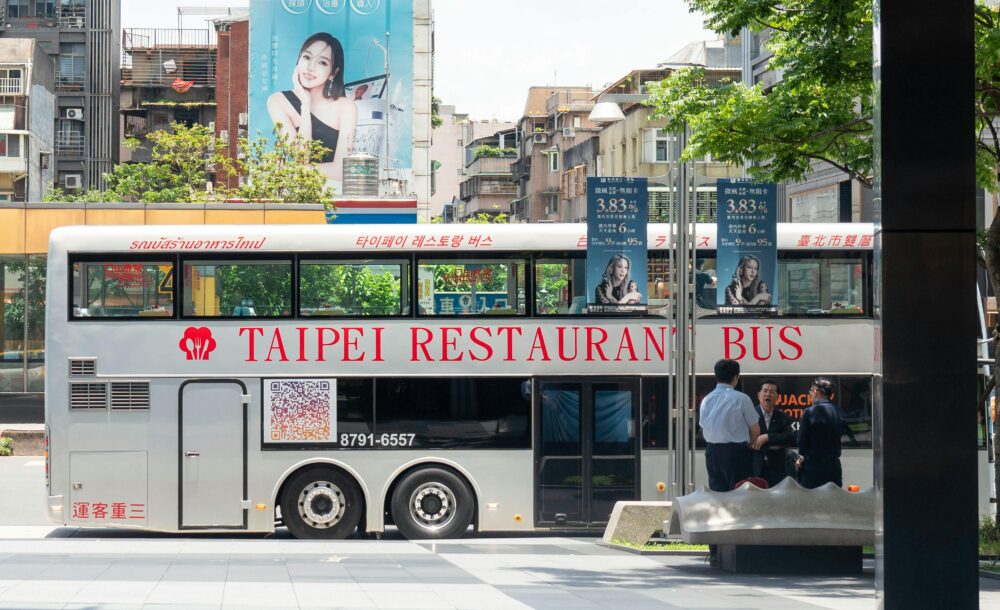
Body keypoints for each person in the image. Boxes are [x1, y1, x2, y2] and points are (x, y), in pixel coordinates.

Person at [267, 33, 358, 186]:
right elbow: (301, 157)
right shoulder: (278, 101)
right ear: (299, 59)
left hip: (333, 194)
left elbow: (340, 171)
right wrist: (305, 104)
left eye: (322, 62)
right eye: (307, 57)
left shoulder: (345, 107)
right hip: (298, 193)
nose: (310, 67)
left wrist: (292, 169)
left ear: (333, 73)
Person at [699, 359, 760, 492]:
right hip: (736, 453)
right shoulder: (742, 399)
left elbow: (703, 425)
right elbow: (755, 429)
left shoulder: (706, 399)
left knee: (717, 495)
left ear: (716, 376)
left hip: (712, 452)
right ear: (736, 377)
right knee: (740, 494)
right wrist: (749, 445)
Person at [795, 377, 844, 488]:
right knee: (833, 501)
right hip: (834, 467)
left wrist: (801, 457)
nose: (810, 394)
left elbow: (802, 442)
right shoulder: (838, 411)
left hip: (814, 467)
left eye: (811, 391)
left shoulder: (810, 412)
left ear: (816, 391)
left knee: (813, 503)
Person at [750, 380, 797, 488]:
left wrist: (767, 437)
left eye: (772, 392)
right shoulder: (750, 414)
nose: (768, 394)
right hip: (755, 468)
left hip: (778, 470)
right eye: (765, 391)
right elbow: (748, 441)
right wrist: (777, 443)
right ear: (758, 395)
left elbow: (791, 438)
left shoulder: (784, 417)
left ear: (777, 397)